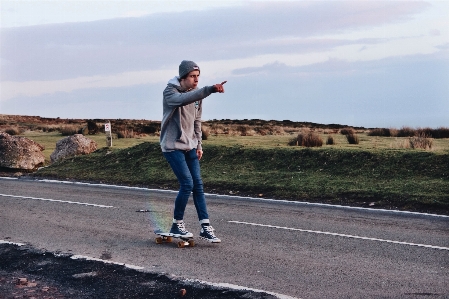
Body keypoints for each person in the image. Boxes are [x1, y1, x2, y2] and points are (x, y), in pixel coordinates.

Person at [160, 60, 226, 243]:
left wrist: (199, 145)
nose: (196, 80)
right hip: (172, 146)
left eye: (198, 76)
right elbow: (182, 100)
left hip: (190, 145)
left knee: (198, 185)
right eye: (192, 76)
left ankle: (205, 226)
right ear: (183, 77)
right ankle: (176, 224)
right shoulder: (170, 91)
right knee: (187, 184)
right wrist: (209, 90)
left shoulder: (197, 97)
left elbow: (197, 121)